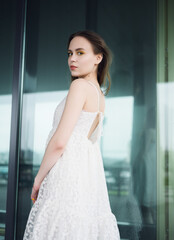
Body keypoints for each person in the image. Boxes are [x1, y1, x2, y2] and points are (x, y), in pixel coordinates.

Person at [23, 30, 120, 240]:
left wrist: (38, 179)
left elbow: (60, 141)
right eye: (69, 53)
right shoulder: (99, 95)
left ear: (98, 57)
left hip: (66, 170)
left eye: (80, 52)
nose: (72, 59)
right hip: (87, 174)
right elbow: (91, 140)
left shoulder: (79, 86)